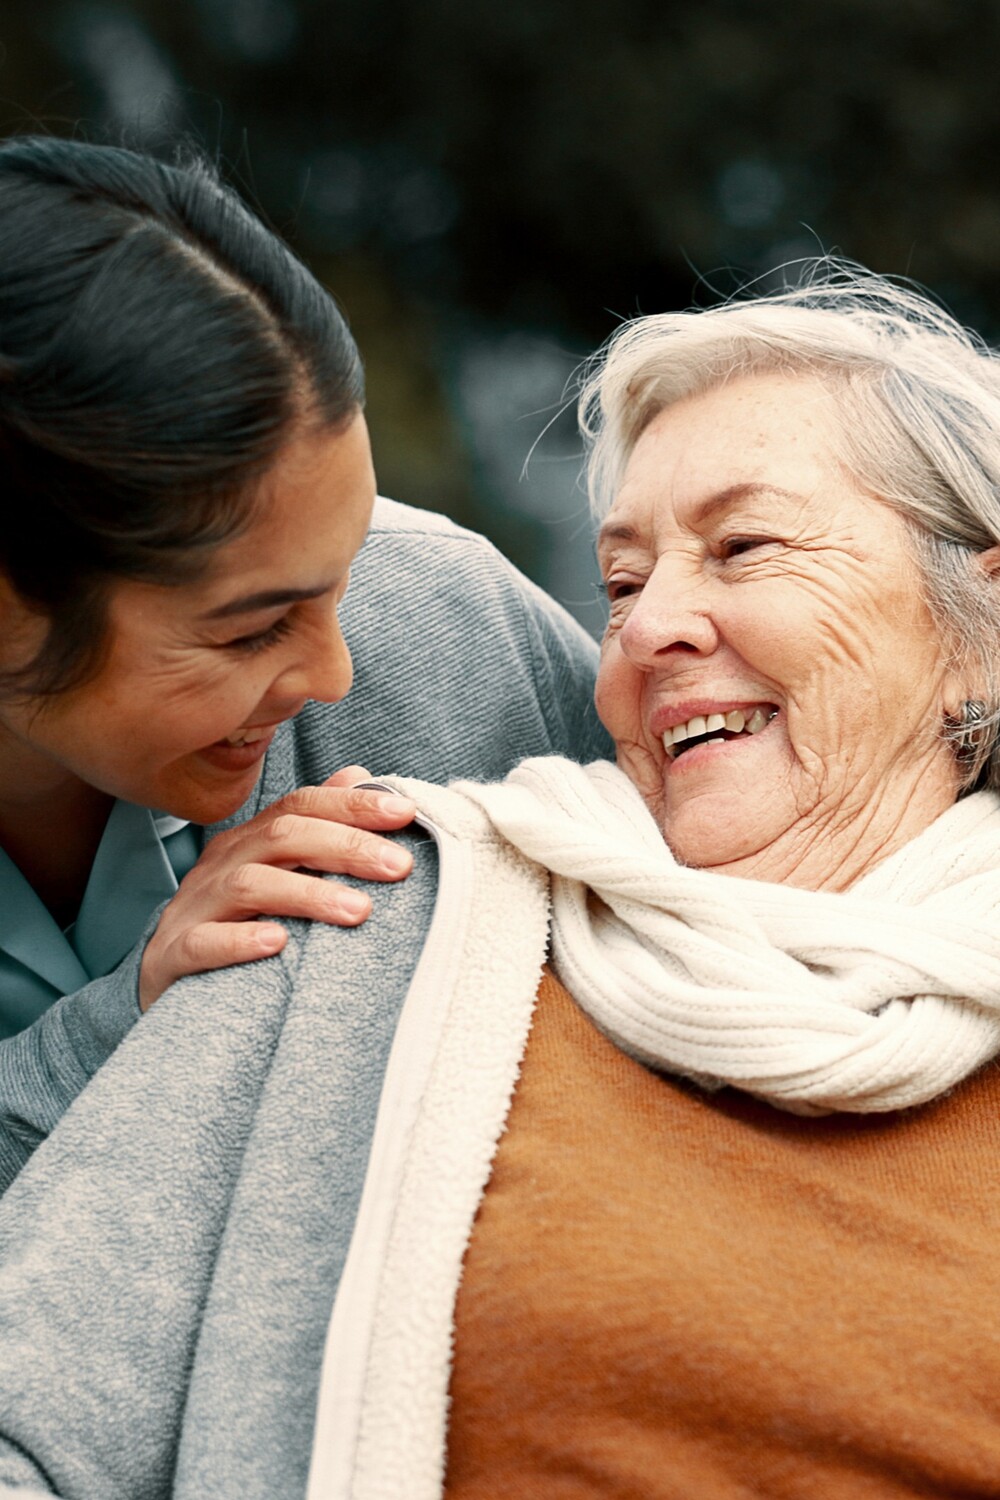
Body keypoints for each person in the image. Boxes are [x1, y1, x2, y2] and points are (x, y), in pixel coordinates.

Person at [5, 264, 1000, 1499]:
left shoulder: (437, 624)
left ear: (979, 619)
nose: (637, 631)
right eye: (621, 584)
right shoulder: (367, 901)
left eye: (742, 548)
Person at [0, 135, 609, 1184]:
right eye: (248, 630)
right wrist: (131, 1025)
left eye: (345, 565)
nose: (335, 675)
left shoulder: (446, 627)